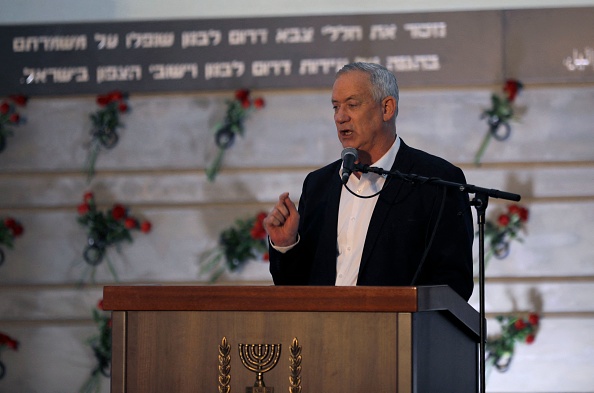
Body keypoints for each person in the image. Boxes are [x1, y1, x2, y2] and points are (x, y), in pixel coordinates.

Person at [263, 62, 474, 301]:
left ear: (387, 108)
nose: (340, 117)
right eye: (335, 107)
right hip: (322, 333)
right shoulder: (318, 185)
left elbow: (455, 283)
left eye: (352, 105)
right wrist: (286, 245)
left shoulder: (437, 181)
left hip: (394, 334)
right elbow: (296, 289)